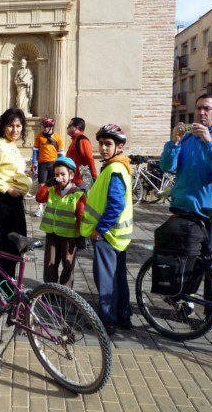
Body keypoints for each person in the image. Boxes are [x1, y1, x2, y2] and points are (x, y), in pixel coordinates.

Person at [160, 93, 212, 297]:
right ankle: (184, 300)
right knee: (185, 258)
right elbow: (168, 167)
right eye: (199, 108)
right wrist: (174, 143)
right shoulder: (187, 138)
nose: (202, 113)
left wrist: (209, 141)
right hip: (186, 208)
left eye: (207, 108)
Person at [81, 124, 133, 335]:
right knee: (119, 277)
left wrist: (99, 230)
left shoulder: (114, 169)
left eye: (108, 144)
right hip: (119, 236)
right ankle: (124, 316)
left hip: (108, 235)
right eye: (101, 144)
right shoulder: (119, 166)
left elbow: (115, 204)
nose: (103, 148)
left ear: (119, 147)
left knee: (105, 278)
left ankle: (106, 321)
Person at [0, 108, 33, 280]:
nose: (15, 130)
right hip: (3, 201)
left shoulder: (12, 146)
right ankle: (5, 288)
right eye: (11, 126)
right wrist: (7, 188)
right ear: (4, 127)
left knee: (18, 244)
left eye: (18, 126)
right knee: (10, 247)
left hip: (14, 202)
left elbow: (8, 172)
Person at [35, 157, 86, 288]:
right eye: (57, 174)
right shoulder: (52, 190)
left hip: (69, 238)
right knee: (50, 264)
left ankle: (65, 293)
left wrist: (82, 236)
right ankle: (50, 291)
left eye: (63, 174)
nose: (59, 178)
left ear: (71, 175)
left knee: (68, 266)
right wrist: (47, 184)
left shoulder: (78, 194)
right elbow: (39, 198)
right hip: (52, 235)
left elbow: (81, 216)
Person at [32, 118, 65, 217]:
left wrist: (61, 164)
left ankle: (51, 206)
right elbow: (35, 150)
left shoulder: (58, 137)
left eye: (47, 126)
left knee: (54, 186)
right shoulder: (39, 136)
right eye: (44, 126)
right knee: (42, 186)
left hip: (54, 165)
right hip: (43, 164)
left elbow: (61, 153)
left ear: (51, 127)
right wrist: (34, 163)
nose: (45, 128)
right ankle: (40, 207)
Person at [66, 117, 98, 187]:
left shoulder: (82, 140)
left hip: (80, 181)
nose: (67, 128)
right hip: (74, 180)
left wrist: (94, 177)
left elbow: (89, 159)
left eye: (69, 126)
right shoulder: (75, 140)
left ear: (76, 127)